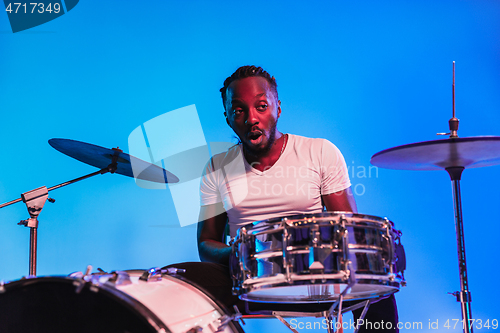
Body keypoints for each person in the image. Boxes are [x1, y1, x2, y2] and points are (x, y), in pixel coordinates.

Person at [168, 65, 398, 332]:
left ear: (278, 107)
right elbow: (206, 243)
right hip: (247, 280)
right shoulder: (217, 167)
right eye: (239, 110)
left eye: (261, 106)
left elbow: (346, 229)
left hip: (314, 273)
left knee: (378, 286)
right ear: (229, 118)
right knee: (178, 279)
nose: (251, 118)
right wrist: (240, 252)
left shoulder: (319, 151)